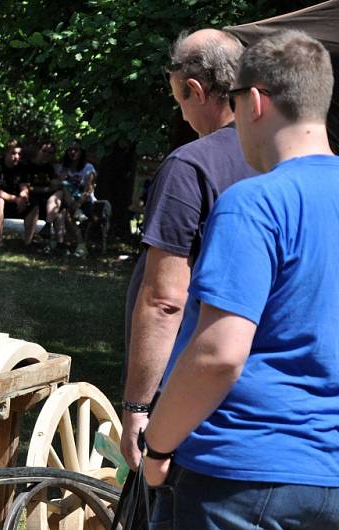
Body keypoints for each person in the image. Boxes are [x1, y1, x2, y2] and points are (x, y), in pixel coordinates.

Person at [143, 30, 339, 529]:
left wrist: (158, 444)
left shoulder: (254, 203)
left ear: (253, 101)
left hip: (237, 478)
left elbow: (218, 355)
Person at [120, 28, 257, 470]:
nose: (180, 114)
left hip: (194, 403)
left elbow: (165, 301)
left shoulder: (189, 166)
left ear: (196, 89)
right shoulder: (288, 164)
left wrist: (139, 409)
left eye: (179, 99)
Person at [0, 139, 35, 249]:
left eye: (19, 154)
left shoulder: (21, 167)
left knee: (34, 205)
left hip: (11, 204)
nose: (17, 157)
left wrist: (23, 197)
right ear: (6, 152)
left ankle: (27, 244)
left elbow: (24, 187)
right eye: (13, 153)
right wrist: (16, 199)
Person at [45, 140, 96, 257]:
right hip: (67, 203)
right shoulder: (62, 168)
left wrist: (77, 204)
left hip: (84, 202)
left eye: (76, 150)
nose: (72, 152)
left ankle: (80, 245)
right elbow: (56, 184)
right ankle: (62, 244)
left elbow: (88, 190)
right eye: (70, 150)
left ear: (81, 152)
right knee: (61, 210)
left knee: (65, 212)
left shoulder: (88, 168)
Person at [21, 140, 58, 248]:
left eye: (50, 153)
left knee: (61, 209)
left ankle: (56, 244)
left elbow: (54, 186)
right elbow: (27, 187)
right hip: (30, 200)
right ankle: (27, 243)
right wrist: (46, 190)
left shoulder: (49, 168)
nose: (47, 154)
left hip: (46, 202)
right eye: (45, 151)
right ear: (38, 150)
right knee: (34, 206)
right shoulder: (27, 165)